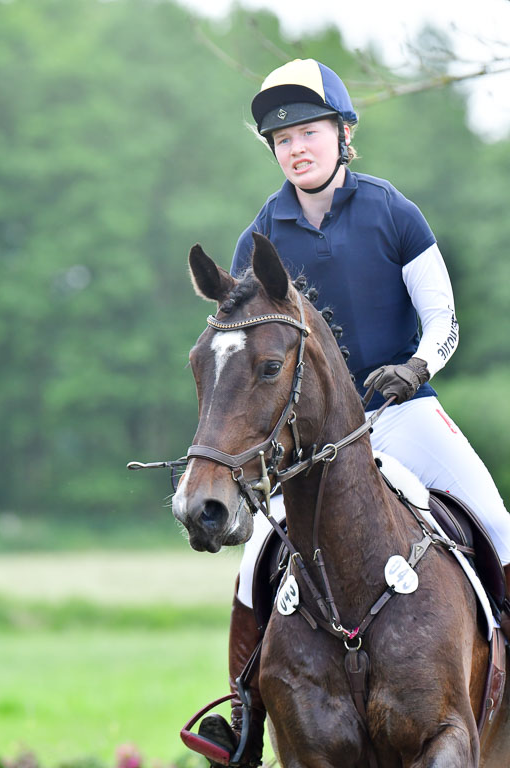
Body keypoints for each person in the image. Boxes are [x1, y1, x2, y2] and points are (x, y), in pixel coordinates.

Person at [195, 58, 510, 767]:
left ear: (343, 134)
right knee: (254, 568)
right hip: (316, 444)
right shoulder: (261, 234)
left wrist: (418, 366)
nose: (296, 147)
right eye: (282, 140)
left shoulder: (392, 211)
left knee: (497, 522)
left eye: (309, 131)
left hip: (403, 412)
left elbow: (445, 319)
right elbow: (247, 350)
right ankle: (242, 717)